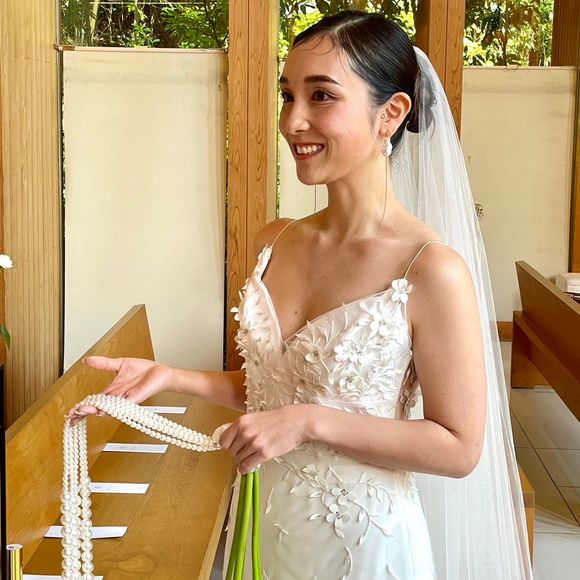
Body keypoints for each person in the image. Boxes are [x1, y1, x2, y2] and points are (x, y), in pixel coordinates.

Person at [70, 10, 532, 579]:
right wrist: (171, 377)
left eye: (322, 96)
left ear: (391, 114)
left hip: (366, 544)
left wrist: (309, 422)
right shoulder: (274, 241)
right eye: (288, 96)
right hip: (269, 522)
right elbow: (276, 392)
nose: (293, 121)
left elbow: (458, 448)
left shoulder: (430, 270)